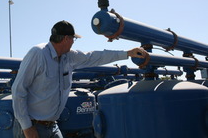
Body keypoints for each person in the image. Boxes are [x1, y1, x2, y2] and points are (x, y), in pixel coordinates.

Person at [11, 20, 146, 138]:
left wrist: (127, 53)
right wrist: (27, 127)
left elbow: (94, 57)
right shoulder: (38, 54)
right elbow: (18, 90)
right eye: (73, 39)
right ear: (66, 39)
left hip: (52, 125)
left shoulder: (68, 56)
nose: (73, 43)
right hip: (33, 126)